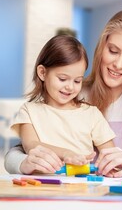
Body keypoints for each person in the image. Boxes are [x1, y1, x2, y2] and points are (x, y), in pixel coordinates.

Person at [4, 9, 122, 177]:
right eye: (113, 51)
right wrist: (23, 163)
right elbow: (21, 150)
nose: (118, 64)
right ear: (102, 47)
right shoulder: (74, 94)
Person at [10, 35, 116, 173]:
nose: (70, 87)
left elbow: (111, 155)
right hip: (41, 187)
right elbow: (32, 146)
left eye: (77, 81)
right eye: (63, 79)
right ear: (42, 73)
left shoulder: (91, 114)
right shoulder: (29, 111)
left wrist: (112, 168)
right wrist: (66, 154)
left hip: (81, 189)